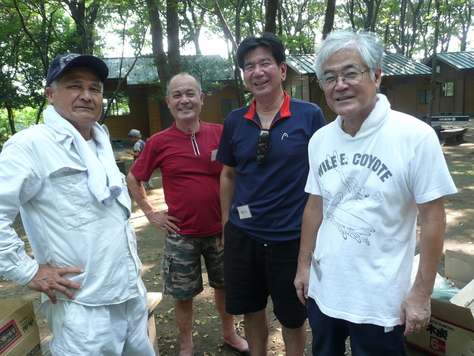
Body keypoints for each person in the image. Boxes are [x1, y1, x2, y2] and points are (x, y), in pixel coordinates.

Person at [293, 31, 458, 356]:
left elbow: (433, 217)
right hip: (325, 291)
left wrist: (421, 293)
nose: (339, 84)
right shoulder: (320, 140)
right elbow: (315, 205)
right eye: (329, 77)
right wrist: (303, 265)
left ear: (377, 75)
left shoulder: (415, 137)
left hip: (380, 300)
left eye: (351, 72)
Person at [0, 54, 155, 356]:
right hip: (83, 310)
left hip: (129, 294)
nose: (86, 95)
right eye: (74, 86)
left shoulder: (101, 142)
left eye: (95, 88)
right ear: (50, 94)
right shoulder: (29, 146)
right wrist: (28, 271)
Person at [217, 33, 326, 356]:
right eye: (249, 66)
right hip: (244, 235)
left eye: (265, 63)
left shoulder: (310, 116)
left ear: (281, 70)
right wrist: (227, 224)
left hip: (291, 238)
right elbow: (228, 174)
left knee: (293, 316)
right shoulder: (235, 121)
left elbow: (322, 179)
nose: (257, 71)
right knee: (251, 308)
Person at [126, 73, 249, 356]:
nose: (185, 100)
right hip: (181, 235)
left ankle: (230, 334)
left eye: (190, 93)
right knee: (183, 296)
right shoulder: (158, 142)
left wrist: (240, 217)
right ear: (169, 103)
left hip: (222, 231)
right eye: (177, 95)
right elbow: (133, 179)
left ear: (202, 99)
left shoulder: (222, 133)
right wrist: (151, 213)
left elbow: (241, 175)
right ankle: (186, 345)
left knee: (225, 288)